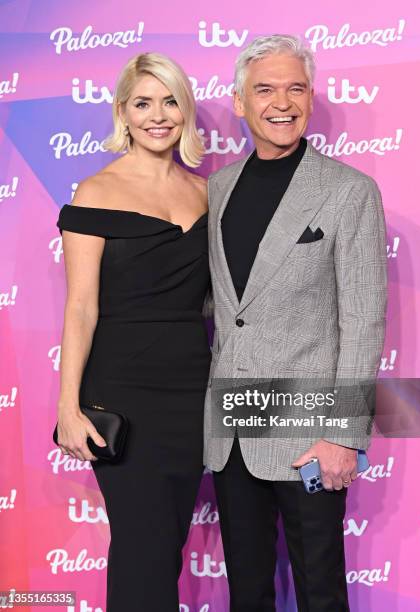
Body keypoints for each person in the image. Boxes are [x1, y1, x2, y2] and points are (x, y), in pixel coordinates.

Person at [204, 35, 387, 611]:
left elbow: (362, 320)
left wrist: (342, 435)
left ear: (310, 98)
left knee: (321, 589)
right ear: (239, 102)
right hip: (232, 428)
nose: (281, 102)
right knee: (248, 592)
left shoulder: (348, 191)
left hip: (309, 431)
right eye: (264, 89)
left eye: (295, 88)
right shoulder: (218, 188)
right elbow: (228, 306)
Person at [55, 52, 210, 612]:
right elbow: (80, 308)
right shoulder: (94, 192)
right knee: (143, 547)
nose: (158, 115)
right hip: (123, 393)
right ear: (123, 112)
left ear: (185, 110)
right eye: (143, 102)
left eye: (170, 101)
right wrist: (68, 408)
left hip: (192, 394)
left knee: (164, 547)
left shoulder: (206, 194)